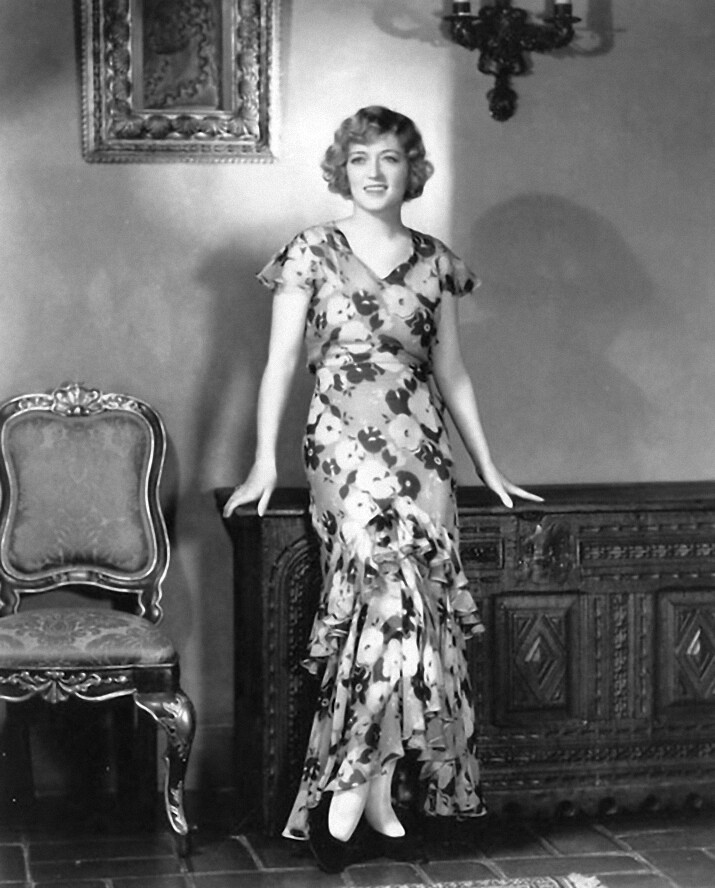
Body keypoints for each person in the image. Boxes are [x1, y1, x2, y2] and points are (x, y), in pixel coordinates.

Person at [223, 105, 542, 872]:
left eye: (389, 158)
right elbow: (277, 364)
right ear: (343, 168)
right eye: (360, 157)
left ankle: (371, 791)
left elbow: (452, 373)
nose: (373, 171)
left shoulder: (434, 262)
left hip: (422, 453)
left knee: (416, 614)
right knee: (384, 599)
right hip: (341, 444)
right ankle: (342, 796)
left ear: (411, 170)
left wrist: (487, 465)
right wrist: (264, 463)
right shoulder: (310, 251)